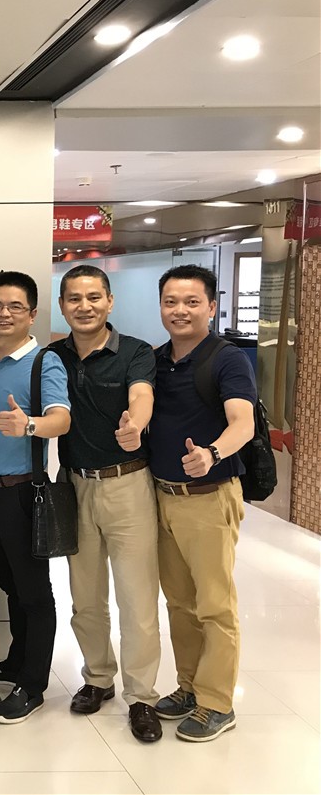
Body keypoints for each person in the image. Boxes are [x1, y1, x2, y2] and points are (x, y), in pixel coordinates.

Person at [49, 265, 163, 743]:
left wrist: (136, 424)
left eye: (94, 297)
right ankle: (98, 677)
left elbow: (142, 394)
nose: (85, 306)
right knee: (86, 596)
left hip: (127, 485)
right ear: (62, 306)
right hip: (75, 486)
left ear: (110, 301)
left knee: (137, 598)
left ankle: (142, 696)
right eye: (74, 298)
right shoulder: (54, 356)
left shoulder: (135, 352)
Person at [148, 264, 256, 742]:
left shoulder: (226, 359)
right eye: (171, 302)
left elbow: (242, 423)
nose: (180, 310)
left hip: (209, 498)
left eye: (192, 302)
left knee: (215, 605)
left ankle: (217, 702)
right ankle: (189, 686)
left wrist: (212, 453)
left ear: (211, 306)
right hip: (162, 496)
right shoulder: (156, 360)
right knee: (180, 603)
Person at [0, 270, 70, 724]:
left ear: (32, 314)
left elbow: (61, 419)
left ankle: (33, 685)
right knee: (10, 584)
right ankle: (16, 660)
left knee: (34, 591)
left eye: (15, 306)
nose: (4, 314)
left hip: (21, 493)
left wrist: (28, 424)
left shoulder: (43, 362)